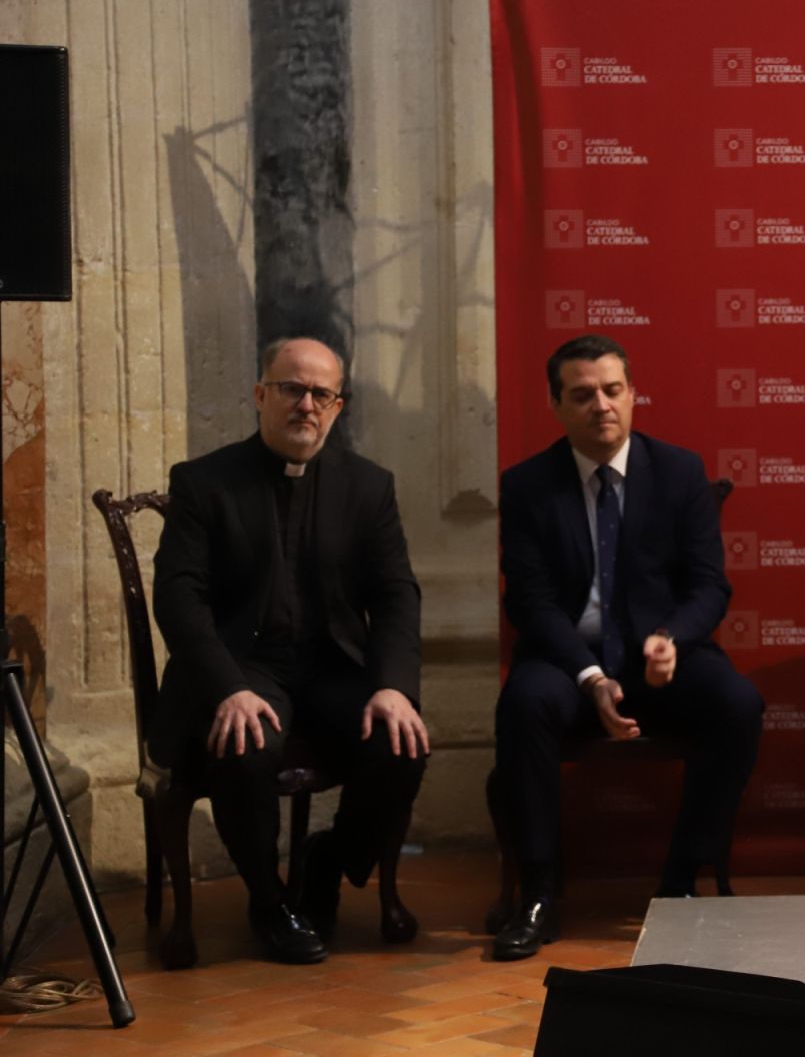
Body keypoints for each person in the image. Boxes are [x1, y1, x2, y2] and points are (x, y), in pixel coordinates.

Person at [152, 337, 428, 964]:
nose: (306, 404)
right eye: (292, 389)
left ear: (338, 406)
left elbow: (395, 595)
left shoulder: (369, 486)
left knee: (402, 742)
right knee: (244, 742)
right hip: (243, 667)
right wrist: (226, 686)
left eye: (321, 394)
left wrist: (392, 685)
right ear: (260, 395)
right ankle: (270, 900)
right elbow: (178, 598)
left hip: (333, 667)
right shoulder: (203, 482)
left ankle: (328, 861)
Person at [489, 334, 763, 960]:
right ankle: (537, 893)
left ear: (634, 395)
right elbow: (530, 602)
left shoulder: (679, 471)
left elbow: (708, 584)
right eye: (582, 395)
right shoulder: (529, 485)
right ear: (557, 406)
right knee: (524, 705)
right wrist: (589, 675)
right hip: (568, 661)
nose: (602, 406)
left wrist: (672, 637)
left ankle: (680, 886)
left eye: (613, 391)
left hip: (658, 657)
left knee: (737, 704)